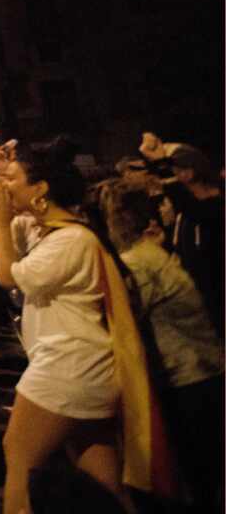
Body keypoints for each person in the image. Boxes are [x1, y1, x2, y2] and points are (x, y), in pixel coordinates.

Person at [0, 138, 167, 514]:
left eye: (14, 179)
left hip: (68, 367)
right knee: (103, 482)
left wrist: (0, 221)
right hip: (86, 369)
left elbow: (6, 275)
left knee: (20, 462)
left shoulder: (70, 238)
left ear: (41, 189)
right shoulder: (54, 231)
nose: (6, 187)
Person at [99, 180, 223, 512]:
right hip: (203, 372)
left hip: (187, 380)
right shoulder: (151, 251)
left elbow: (123, 323)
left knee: (192, 483)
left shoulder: (138, 262)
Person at [144, 136, 223, 337]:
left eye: (174, 169)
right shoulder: (185, 214)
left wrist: (161, 165)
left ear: (189, 172)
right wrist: (164, 243)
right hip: (200, 310)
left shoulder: (216, 205)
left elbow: (199, 212)